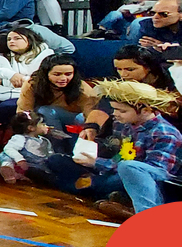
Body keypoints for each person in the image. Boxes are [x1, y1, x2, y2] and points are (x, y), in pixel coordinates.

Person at [87, 81, 182, 222]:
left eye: (122, 111)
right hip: (126, 173)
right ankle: (124, 204)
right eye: (114, 109)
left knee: (124, 169)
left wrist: (98, 163)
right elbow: (122, 156)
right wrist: (96, 161)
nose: (115, 114)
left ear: (146, 110)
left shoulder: (165, 133)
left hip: (160, 184)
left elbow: (157, 173)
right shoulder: (124, 125)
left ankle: (148, 216)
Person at [16, 54, 98, 149]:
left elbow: (91, 114)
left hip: (75, 118)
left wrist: (89, 129)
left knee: (81, 118)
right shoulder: (33, 84)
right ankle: (57, 149)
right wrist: (31, 127)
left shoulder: (82, 89)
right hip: (45, 117)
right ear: (46, 73)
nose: (63, 78)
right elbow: (25, 111)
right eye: (57, 74)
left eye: (68, 74)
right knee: (44, 111)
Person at [0, 27, 52, 135]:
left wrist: (4, 82)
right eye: (9, 39)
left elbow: (37, 80)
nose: (11, 41)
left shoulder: (45, 56)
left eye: (17, 38)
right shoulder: (1, 56)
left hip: (22, 96)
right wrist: (11, 75)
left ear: (30, 40)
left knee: (5, 109)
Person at [0, 111, 54, 184]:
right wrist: (19, 159)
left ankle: (20, 175)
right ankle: (7, 168)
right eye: (43, 124)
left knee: (38, 171)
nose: (46, 126)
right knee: (5, 155)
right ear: (31, 128)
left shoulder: (45, 141)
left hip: (34, 165)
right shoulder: (20, 138)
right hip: (20, 164)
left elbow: (50, 154)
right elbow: (9, 148)